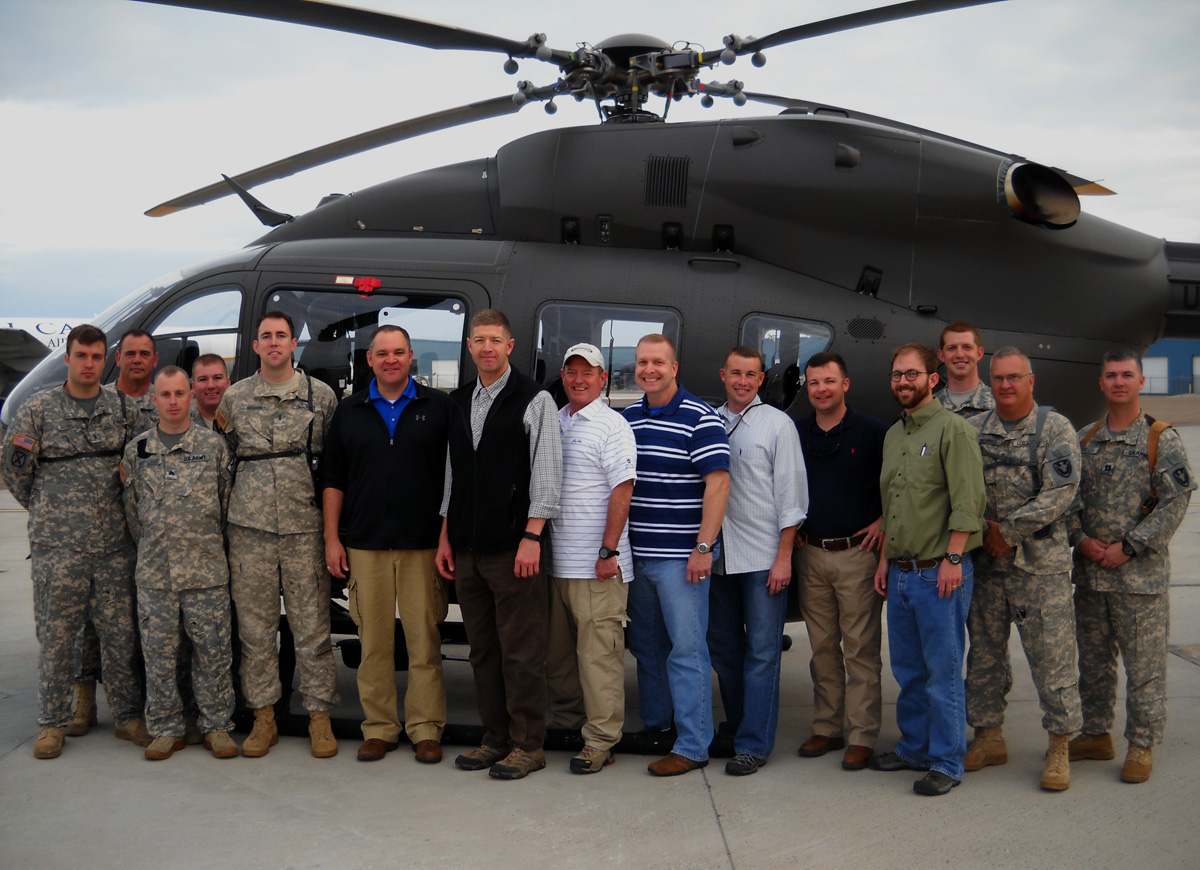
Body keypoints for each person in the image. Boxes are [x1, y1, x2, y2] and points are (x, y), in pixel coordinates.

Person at [2, 324, 149, 758]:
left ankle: (126, 716)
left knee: (120, 636)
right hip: (58, 550)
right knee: (57, 637)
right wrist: (49, 509)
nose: (88, 364)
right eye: (81, 356)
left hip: (113, 547)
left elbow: (141, 461)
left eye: (96, 357)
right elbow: (15, 470)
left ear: (107, 361)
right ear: (68, 359)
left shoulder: (122, 409)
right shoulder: (39, 409)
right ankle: (53, 722)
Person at [436, 309, 562, 780]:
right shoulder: (459, 400)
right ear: (469, 347)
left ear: (510, 346)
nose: (487, 348)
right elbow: (453, 473)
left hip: (514, 548)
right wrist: (446, 535)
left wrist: (532, 537)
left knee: (521, 650)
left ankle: (528, 745)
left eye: (495, 340)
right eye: (479, 340)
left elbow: (548, 477)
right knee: (482, 650)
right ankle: (495, 739)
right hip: (467, 548)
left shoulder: (535, 400)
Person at [323, 325, 453, 764]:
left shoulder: (439, 408)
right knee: (373, 641)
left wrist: (445, 537)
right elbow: (333, 480)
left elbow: (454, 480)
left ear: (411, 356)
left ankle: (425, 729)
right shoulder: (349, 412)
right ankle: (379, 728)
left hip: (422, 544)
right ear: (369, 360)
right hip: (364, 544)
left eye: (399, 352)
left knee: (423, 641)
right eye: (383, 353)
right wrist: (331, 539)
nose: (391, 360)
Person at [216, 311, 340, 758]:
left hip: (304, 528)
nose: (273, 343)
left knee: (312, 629)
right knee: (255, 631)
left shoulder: (320, 398)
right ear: (255, 346)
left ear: (293, 344)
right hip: (249, 532)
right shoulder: (234, 398)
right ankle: (264, 718)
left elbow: (332, 467)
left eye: (281, 336)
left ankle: (319, 719)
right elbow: (225, 462)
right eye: (265, 336)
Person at [1068, 348, 1195, 783]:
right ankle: (1096, 733)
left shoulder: (1162, 438)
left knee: (1145, 669)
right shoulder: (1085, 439)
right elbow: (1070, 501)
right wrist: (1082, 542)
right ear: (1100, 384)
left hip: (1139, 581)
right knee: (1094, 663)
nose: (1118, 382)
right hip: (1091, 577)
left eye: (1126, 375)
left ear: (1141, 382)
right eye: (1110, 375)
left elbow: (1176, 501)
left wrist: (1130, 546)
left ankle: (1141, 745)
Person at [963, 348, 1083, 790]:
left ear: (1031, 382)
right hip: (987, 565)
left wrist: (1007, 532)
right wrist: (982, 529)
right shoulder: (974, 430)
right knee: (985, 654)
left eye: (1014, 378)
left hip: (1039, 568)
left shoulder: (1055, 429)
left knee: (1052, 658)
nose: (1005, 386)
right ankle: (988, 735)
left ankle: (1059, 745)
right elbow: (959, 489)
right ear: (988, 381)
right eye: (998, 378)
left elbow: (1061, 492)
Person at [869, 342, 985, 796]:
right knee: (908, 671)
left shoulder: (953, 430)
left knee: (942, 671)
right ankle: (914, 747)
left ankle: (947, 761)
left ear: (932, 379)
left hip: (940, 572)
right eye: (897, 375)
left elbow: (968, 501)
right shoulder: (894, 435)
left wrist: (954, 559)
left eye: (912, 374)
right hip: (900, 573)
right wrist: (884, 561)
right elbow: (891, 504)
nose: (903, 382)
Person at [623, 334, 730, 776]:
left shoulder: (700, 418)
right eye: (643, 362)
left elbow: (718, 485)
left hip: (681, 559)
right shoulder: (627, 418)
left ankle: (692, 745)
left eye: (658, 363)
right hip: (637, 558)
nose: (649, 370)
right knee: (647, 648)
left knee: (687, 652)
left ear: (674, 367)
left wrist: (703, 548)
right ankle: (658, 727)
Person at [121, 367, 238, 761]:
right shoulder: (137, 450)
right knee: (158, 656)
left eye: (178, 393)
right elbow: (132, 513)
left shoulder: (215, 447)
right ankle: (167, 728)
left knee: (213, 652)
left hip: (206, 572)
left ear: (191, 396)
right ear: (152, 400)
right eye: (164, 394)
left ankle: (217, 725)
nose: (172, 401)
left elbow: (225, 507)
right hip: (156, 574)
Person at [708, 346, 806, 776]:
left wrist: (783, 559)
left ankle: (754, 744)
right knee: (725, 649)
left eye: (751, 374)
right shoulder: (708, 420)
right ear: (723, 375)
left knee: (764, 652)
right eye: (735, 373)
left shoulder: (778, 425)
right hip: (717, 557)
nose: (742, 381)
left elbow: (792, 499)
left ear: (761, 379)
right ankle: (735, 725)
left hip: (763, 556)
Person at [545, 343, 637, 774]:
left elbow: (623, 489)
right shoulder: (555, 420)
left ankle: (600, 740)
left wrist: (608, 551)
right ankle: (568, 726)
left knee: (597, 658)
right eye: (572, 372)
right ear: (563, 376)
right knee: (560, 658)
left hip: (596, 567)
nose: (579, 379)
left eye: (589, 373)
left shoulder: (612, 425)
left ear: (604, 379)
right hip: (555, 565)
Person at [794, 351, 888, 771]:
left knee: (860, 650)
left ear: (845, 384)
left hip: (857, 555)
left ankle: (863, 734)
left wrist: (884, 521)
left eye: (829, 381)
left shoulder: (872, 432)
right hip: (810, 553)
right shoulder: (796, 432)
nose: (821, 389)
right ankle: (827, 727)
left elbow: (899, 482)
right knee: (822, 648)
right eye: (814, 383)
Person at [68, 328, 161, 738]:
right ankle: (83, 701)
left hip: (148, 531)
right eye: (130, 353)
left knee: (131, 623)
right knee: (88, 622)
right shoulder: (101, 401)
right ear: (117, 358)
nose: (137, 360)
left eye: (145, 353)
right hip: (98, 529)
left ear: (155, 360)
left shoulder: (166, 400)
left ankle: (137, 702)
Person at [934, 321, 994, 418]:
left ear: (979, 353)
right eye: (952, 348)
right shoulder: (930, 408)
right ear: (941, 356)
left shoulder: (999, 405)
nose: (960, 355)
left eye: (967, 347)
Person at [191, 353, 231, 426]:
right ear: (193, 387)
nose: (211, 386)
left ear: (228, 383)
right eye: (203, 379)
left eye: (217, 378)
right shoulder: (181, 426)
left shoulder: (243, 421)